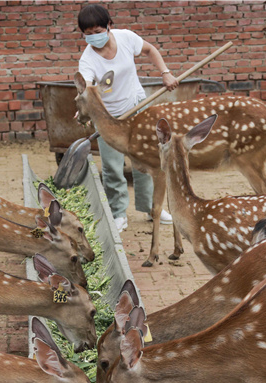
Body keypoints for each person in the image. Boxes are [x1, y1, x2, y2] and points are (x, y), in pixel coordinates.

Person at [77, 4, 178, 232]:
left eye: (97, 31)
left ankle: (153, 208)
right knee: (112, 168)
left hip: (136, 107)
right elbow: (86, 86)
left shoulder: (126, 38)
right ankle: (118, 213)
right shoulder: (88, 60)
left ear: (109, 26)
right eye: (88, 33)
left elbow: (150, 50)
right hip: (108, 118)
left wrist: (165, 73)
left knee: (146, 161)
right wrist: (83, 104)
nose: (93, 37)